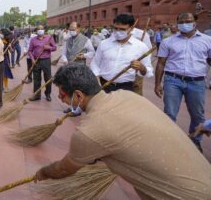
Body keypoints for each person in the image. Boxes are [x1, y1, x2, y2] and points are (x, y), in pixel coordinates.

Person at [34, 63, 211, 200]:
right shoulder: (127, 96)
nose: (60, 99)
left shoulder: (89, 131)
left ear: (78, 95)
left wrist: (43, 172)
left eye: (62, 95)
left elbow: (64, 169)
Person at [154, 12, 211, 152]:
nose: (185, 23)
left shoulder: (207, 40)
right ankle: (169, 142)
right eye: (182, 21)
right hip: (173, 80)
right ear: (177, 23)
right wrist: (157, 84)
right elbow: (161, 63)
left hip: (197, 82)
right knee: (170, 113)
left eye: (188, 21)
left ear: (195, 22)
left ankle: (194, 141)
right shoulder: (168, 41)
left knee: (197, 114)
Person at [90, 14, 153, 94]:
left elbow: (148, 71)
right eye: (115, 28)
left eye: (122, 29)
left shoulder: (141, 46)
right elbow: (95, 63)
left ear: (132, 28)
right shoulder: (103, 44)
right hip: (104, 85)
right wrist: (97, 80)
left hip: (126, 88)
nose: (118, 32)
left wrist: (142, 68)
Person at [28, 25, 57, 101]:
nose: (40, 30)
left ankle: (48, 94)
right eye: (38, 29)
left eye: (42, 28)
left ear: (44, 30)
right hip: (36, 61)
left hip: (46, 60)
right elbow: (30, 51)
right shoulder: (33, 39)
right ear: (36, 31)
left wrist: (49, 48)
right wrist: (32, 59)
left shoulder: (49, 38)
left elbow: (55, 47)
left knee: (48, 78)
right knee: (36, 79)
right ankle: (37, 95)